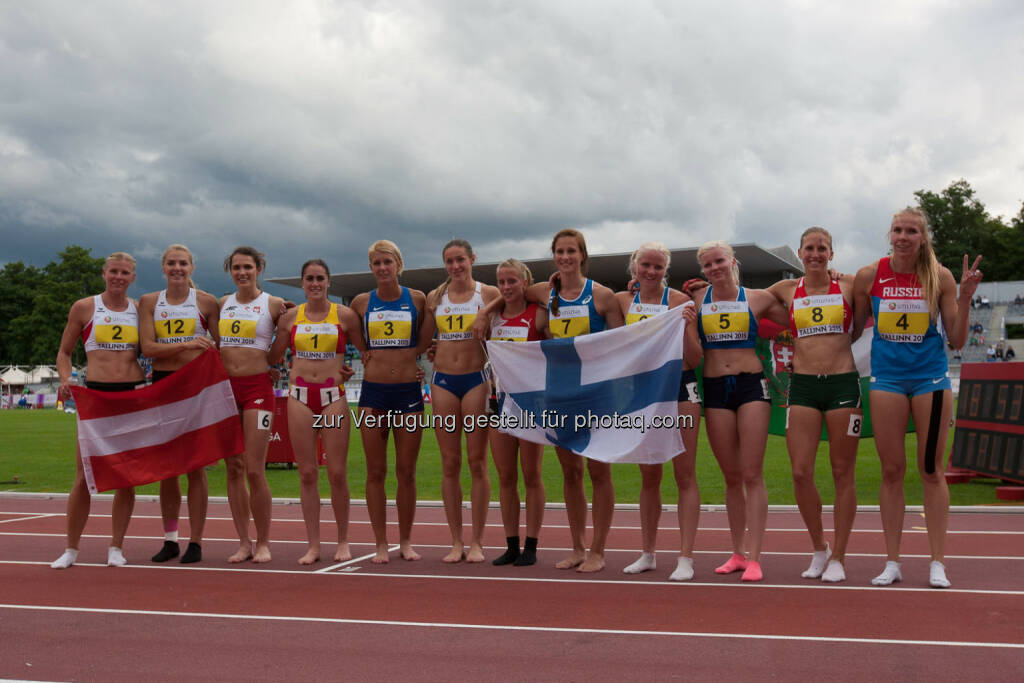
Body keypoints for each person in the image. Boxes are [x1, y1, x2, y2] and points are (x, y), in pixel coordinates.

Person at [477, 229, 624, 572]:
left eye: (571, 251)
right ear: (554, 255)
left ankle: (598, 551)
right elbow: (511, 293)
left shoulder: (602, 296)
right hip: (559, 394)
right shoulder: (546, 291)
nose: (565, 257)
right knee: (571, 472)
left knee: (599, 472)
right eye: (560, 251)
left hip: (595, 393)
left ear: (582, 255)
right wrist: (486, 312)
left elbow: (620, 345)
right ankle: (578, 547)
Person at [853, 207, 981, 588]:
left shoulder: (939, 276)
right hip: (887, 380)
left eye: (911, 231)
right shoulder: (870, 275)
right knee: (891, 470)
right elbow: (853, 329)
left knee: (931, 470)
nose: (903, 237)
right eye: (898, 230)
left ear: (923, 238)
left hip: (930, 380)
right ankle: (892, 561)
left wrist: (965, 297)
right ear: (889, 235)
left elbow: (957, 340)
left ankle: (937, 562)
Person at [764, 228, 861, 583]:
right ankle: (820, 547)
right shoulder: (786, 290)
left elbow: (876, 293)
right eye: (809, 248)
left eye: (822, 248)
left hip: (843, 384)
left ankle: (839, 556)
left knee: (842, 471)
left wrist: (844, 276)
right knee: (800, 472)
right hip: (803, 386)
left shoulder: (849, 285)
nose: (815, 254)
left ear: (831, 254)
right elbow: (744, 299)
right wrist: (700, 290)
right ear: (800, 253)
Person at [693, 241, 787, 581]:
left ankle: (756, 557)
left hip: (751, 386)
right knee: (731, 476)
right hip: (715, 389)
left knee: (751, 473)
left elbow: (797, 315)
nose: (714, 268)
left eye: (719, 261)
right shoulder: (696, 299)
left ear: (733, 262)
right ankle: (737, 553)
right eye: (708, 264)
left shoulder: (758, 298)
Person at [51, 252, 144, 569]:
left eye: (125, 273)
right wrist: (66, 378)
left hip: (130, 396)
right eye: (114, 271)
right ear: (104, 273)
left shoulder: (139, 310)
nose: (118, 277)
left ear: (133, 278)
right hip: (95, 397)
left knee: (126, 477)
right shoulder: (84, 307)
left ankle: (116, 546)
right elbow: (64, 352)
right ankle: (71, 549)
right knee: (84, 476)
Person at [617, 243, 703, 581]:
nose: (651, 272)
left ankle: (686, 557)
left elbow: (695, 358)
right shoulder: (622, 302)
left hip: (680, 389)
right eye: (646, 265)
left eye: (658, 267)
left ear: (666, 271)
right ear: (634, 266)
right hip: (644, 394)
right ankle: (648, 553)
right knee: (649, 476)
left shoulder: (680, 302)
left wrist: (686, 326)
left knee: (685, 474)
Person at [269, 259, 364, 564]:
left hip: (332, 397)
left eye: (320, 278)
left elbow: (367, 354)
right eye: (309, 278)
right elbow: (272, 355)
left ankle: (343, 541)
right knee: (307, 473)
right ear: (302, 283)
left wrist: (351, 370)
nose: (315, 284)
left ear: (328, 282)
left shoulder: (345, 316)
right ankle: (313, 545)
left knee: (336, 472)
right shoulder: (290, 317)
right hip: (299, 398)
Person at [138, 244, 220, 564]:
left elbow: (221, 345)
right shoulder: (149, 302)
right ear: (163, 268)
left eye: (183, 263)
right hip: (164, 386)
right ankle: (170, 539)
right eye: (171, 263)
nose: (177, 268)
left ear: (192, 268)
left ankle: (196, 541)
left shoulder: (206, 302)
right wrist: (187, 344)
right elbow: (148, 348)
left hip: (196, 388)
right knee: (168, 469)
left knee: (196, 466)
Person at [349, 241, 429, 564]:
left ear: (398, 263)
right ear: (371, 267)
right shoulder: (360, 302)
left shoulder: (418, 299)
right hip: (374, 394)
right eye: (376, 263)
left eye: (387, 262)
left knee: (406, 472)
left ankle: (405, 541)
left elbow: (426, 339)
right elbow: (348, 333)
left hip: (408, 393)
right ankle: (381, 543)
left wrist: (416, 362)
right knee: (375, 472)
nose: (382, 268)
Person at [421, 240, 500, 562]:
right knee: (449, 462)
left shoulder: (488, 293)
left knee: (477, 461)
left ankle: (477, 541)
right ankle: (456, 541)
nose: (455, 266)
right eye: (450, 261)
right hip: (443, 381)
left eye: (460, 260)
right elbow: (425, 339)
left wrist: (486, 314)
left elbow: (518, 294)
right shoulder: (435, 297)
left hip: (476, 380)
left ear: (472, 259)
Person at [218, 246, 285, 563]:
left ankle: (264, 542)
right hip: (226, 391)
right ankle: (243, 542)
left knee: (255, 469)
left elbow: (291, 338)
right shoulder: (222, 304)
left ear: (259, 268)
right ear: (230, 271)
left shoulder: (273, 304)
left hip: (257, 389)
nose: (242, 272)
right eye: (236, 267)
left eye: (247, 267)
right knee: (233, 467)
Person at [486, 258, 549, 566]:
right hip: (498, 401)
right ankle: (511, 544)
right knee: (506, 476)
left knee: (531, 474)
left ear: (525, 282)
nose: (507, 287)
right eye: (502, 282)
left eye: (512, 281)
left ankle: (531, 546)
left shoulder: (539, 315)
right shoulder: (490, 318)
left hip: (531, 403)